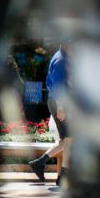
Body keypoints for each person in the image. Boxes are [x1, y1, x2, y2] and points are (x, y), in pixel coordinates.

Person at [29, 43, 71, 184]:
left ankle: (40, 163)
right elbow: (59, 88)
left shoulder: (63, 57)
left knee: (67, 141)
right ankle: (62, 178)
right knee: (69, 141)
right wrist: (61, 108)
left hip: (61, 103)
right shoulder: (60, 61)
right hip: (60, 103)